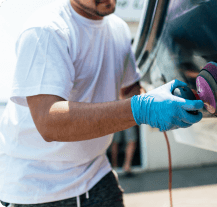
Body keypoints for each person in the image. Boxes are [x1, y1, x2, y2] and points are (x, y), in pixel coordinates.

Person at [0, 0, 203, 206]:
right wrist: (143, 108)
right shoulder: (46, 30)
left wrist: (164, 99)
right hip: (36, 189)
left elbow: (130, 90)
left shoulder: (119, 28)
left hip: (96, 174)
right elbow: (49, 123)